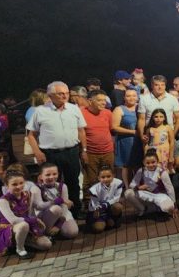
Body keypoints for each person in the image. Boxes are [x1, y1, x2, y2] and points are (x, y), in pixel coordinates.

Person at [26, 82, 87, 215]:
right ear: (50, 95)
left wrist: (84, 150)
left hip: (71, 151)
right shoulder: (40, 111)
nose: (65, 96)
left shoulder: (74, 109)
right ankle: (55, 213)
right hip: (50, 154)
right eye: (60, 93)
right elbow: (31, 135)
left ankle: (75, 210)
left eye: (66, 93)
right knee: (52, 184)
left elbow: (81, 131)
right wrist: (37, 152)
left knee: (73, 181)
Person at [0, 167, 51, 259]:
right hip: (10, 228)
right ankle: (20, 249)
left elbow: (35, 208)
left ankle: (23, 241)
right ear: (7, 185)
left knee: (46, 245)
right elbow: (13, 220)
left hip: (27, 225)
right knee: (23, 225)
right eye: (14, 184)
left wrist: (54, 202)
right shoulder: (3, 200)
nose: (18, 186)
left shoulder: (27, 194)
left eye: (21, 183)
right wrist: (34, 220)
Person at [81, 90, 115, 199]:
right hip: (91, 153)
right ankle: (88, 205)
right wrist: (84, 151)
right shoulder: (82, 113)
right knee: (90, 180)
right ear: (90, 101)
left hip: (107, 151)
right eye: (100, 100)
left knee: (108, 178)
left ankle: (108, 202)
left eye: (104, 100)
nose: (103, 103)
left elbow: (110, 129)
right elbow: (80, 133)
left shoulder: (108, 113)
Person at [31, 162, 79, 239]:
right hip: (44, 215)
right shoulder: (36, 188)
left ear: (58, 174)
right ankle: (46, 232)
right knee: (56, 209)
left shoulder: (62, 186)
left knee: (72, 233)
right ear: (40, 176)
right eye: (47, 175)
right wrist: (55, 201)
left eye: (54, 174)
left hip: (60, 214)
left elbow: (64, 206)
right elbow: (39, 206)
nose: (51, 177)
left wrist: (59, 224)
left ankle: (56, 228)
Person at [126, 151, 177, 218]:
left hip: (160, 195)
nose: (151, 165)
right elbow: (132, 185)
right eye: (148, 163)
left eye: (153, 162)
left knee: (168, 207)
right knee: (128, 193)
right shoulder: (141, 171)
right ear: (144, 163)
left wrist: (174, 205)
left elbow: (170, 188)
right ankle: (143, 209)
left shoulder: (162, 172)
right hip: (146, 195)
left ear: (157, 161)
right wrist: (139, 187)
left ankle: (155, 208)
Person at [137, 75, 179, 141]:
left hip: (168, 134)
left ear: (165, 86)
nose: (160, 87)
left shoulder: (172, 99)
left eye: (162, 85)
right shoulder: (144, 99)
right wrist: (142, 135)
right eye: (156, 85)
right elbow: (141, 119)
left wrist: (173, 134)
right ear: (152, 86)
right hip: (150, 135)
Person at [111, 88, 140, 187]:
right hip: (125, 141)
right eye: (128, 96)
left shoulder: (140, 108)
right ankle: (127, 188)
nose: (131, 98)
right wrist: (132, 132)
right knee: (126, 166)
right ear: (124, 97)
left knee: (138, 165)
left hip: (139, 141)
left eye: (134, 95)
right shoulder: (119, 109)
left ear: (137, 97)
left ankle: (136, 187)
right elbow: (114, 127)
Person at [87, 166, 128, 231]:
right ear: (98, 178)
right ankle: (98, 221)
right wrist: (97, 210)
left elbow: (117, 198)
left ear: (113, 175)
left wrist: (106, 204)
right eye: (103, 177)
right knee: (99, 228)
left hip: (109, 207)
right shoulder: (94, 189)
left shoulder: (118, 183)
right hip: (99, 210)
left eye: (108, 176)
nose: (106, 179)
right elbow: (94, 204)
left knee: (118, 206)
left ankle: (111, 218)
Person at [144, 109, 175, 174]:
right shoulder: (150, 129)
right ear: (152, 117)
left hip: (164, 152)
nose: (158, 119)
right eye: (156, 117)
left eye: (161, 117)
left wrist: (171, 156)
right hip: (153, 152)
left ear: (164, 118)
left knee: (164, 171)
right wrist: (145, 154)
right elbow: (146, 143)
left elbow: (172, 142)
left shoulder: (168, 128)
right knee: (154, 169)